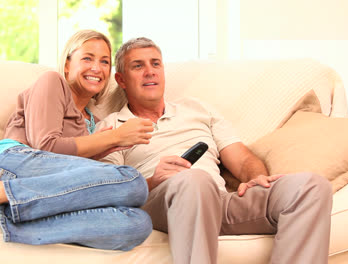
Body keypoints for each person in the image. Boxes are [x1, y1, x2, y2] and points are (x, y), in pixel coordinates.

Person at [96, 37, 333, 263]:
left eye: (155, 64)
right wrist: (153, 180)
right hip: (161, 202)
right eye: (138, 66)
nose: (150, 71)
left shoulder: (197, 109)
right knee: (194, 181)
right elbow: (111, 192)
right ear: (122, 79)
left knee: (310, 187)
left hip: (218, 200)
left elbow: (242, 158)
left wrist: (255, 177)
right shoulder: (112, 127)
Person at [0, 30, 154, 251]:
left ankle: (1, 213)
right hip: (11, 163)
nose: (97, 68)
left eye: (105, 61)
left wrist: (105, 146)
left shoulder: (94, 122)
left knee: (137, 223)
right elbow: (46, 145)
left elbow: (75, 181)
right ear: (67, 64)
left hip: (43, 188)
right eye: (87, 58)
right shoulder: (53, 82)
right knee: (132, 181)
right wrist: (113, 136)